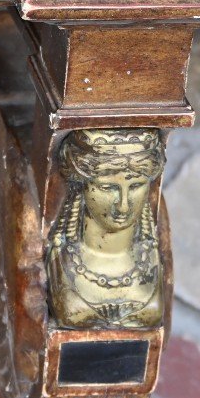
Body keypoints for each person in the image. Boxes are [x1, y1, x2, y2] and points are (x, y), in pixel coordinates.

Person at [47, 129, 165, 329]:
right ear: (80, 186)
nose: (124, 206)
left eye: (136, 186)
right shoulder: (57, 255)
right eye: (107, 188)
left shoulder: (155, 246)